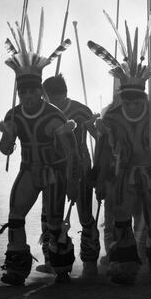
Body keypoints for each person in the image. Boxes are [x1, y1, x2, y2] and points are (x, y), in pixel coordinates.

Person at [88, 25, 151, 285]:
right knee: (121, 220)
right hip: (123, 176)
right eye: (127, 100)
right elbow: (105, 149)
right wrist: (100, 175)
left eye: (136, 101)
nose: (131, 105)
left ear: (143, 97)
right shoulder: (112, 117)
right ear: (121, 96)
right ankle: (125, 264)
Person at [0, 23, 78, 285]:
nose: (28, 96)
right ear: (19, 92)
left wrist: (72, 179)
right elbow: (5, 150)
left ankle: (61, 266)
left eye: (32, 91)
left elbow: (71, 151)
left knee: (54, 224)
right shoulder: (14, 115)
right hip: (28, 170)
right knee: (15, 216)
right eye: (23, 92)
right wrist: (8, 136)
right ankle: (16, 269)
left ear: (40, 91)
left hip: (54, 172)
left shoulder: (55, 115)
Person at [41, 74, 100, 277]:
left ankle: (90, 257)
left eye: (56, 99)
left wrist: (100, 165)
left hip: (80, 167)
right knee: (51, 214)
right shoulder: (43, 113)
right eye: (49, 99)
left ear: (65, 94)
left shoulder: (81, 111)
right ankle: (55, 260)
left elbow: (98, 138)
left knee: (84, 212)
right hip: (54, 168)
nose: (52, 103)